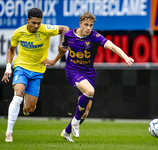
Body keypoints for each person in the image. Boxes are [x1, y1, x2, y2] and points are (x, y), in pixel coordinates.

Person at [58, 12, 134, 142]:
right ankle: (75, 121)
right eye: (86, 25)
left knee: (85, 112)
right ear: (80, 24)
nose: (88, 28)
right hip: (73, 71)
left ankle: (66, 132)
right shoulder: (69, 35)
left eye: (91, 25)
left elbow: (112, 46)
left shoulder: (94, 36)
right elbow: (63, 49)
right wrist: (54, 60)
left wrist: (125, 56)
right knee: (89, 91)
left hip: (88, 73)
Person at [1, 8, 69, 142]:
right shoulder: (19, 32)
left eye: (38, 23)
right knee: (18, 94)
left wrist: (62, 43)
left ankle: (27, 106)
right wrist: (8, 68)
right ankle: (9, 132)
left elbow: (65, 28)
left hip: (37, 70)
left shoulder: (46, 29)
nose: (36, 26)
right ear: (27, 20)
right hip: (21, 67)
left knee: (29, 109)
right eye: (33, 23)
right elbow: (11, 50)